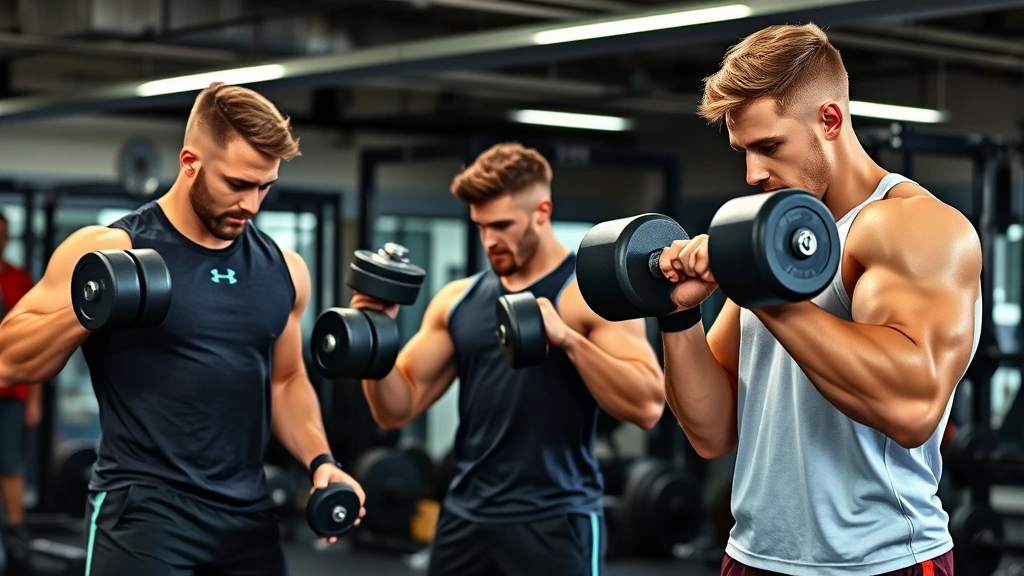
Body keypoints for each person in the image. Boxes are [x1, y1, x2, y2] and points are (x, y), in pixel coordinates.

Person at [0, 82, 365, 576]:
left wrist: (321, 460)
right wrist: (93, 307)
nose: (252, 204)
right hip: (144, 513)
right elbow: (8, 360)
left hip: (247, 517)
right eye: (237, 184)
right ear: (190, 161)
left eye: (265, 187)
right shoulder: (112, 246)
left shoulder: (283, 270)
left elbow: (285, 381)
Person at [657, 23, 982, 576]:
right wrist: (678, 313)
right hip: (753, 556)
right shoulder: (770, 240)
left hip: (879, 563)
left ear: (829, 120)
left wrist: (760, 289)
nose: (753, 173)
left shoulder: (915, 227)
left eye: (770, 147)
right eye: (743, 151)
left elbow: (912, 410)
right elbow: (712, 433)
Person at [354, 142, 666, 576]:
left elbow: (648, 404)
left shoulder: (586, 296)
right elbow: (395, 408)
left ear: (542, 210)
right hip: (466, 518)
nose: (490, 241)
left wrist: (568, 341)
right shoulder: (456, 300)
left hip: (556, 519)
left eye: (501, 225)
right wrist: (374, 339)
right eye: (481, 226)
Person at [0, 211, 40, 548]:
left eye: (3, 234)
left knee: (10, 462)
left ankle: (16, 532)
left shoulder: (18, 278)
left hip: (12, 391)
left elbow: (35, 343)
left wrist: (35, 400)